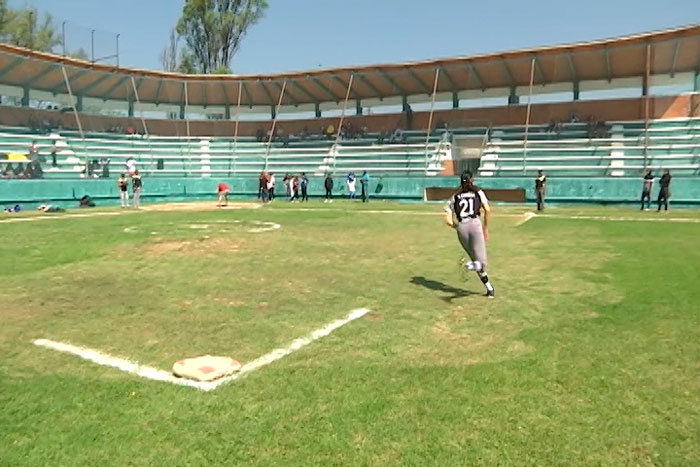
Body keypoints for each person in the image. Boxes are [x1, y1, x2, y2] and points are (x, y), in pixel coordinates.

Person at [443, 171, 495, 298]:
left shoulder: (455, 196)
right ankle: (467, 265)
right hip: (475, 224)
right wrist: (486, 229)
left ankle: (489, 289)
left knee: (476, 260)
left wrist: (457, 226)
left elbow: (448, 218)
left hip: (462, 227)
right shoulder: (478, 192)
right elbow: (487, 210)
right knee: (481, 263)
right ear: (472, 180)